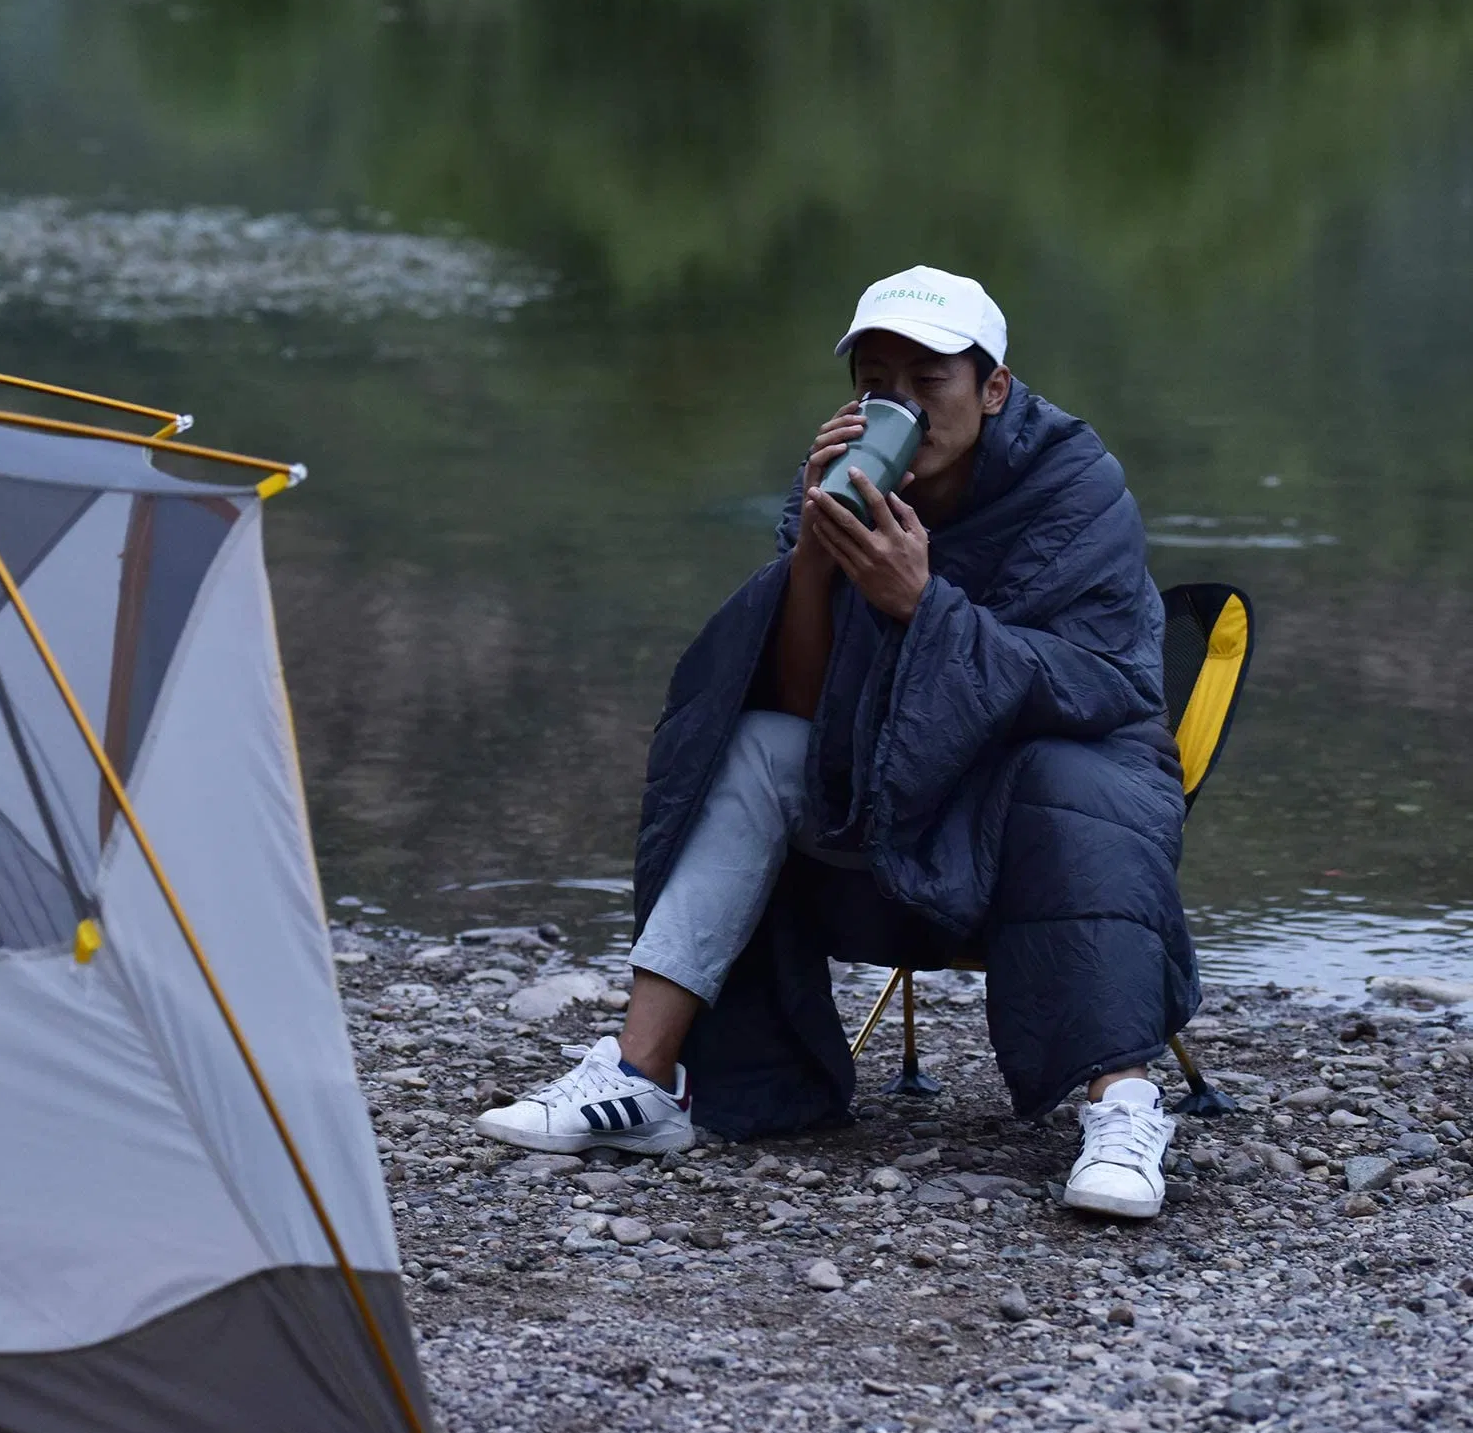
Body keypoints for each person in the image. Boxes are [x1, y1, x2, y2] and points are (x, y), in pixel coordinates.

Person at [476, 265, 1196, 1221]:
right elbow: (807, 699)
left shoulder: (1075, 482)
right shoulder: (846, 478)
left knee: (1076, 781)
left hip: (1041, 787)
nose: (897, 405)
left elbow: (1100, 684)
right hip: (892, 786)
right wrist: (816, 553)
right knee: (759, 744)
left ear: (994, 388)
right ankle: (643, 1077)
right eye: (874, 384)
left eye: (927, 382)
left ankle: (1123, 1110)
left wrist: (924, 607)